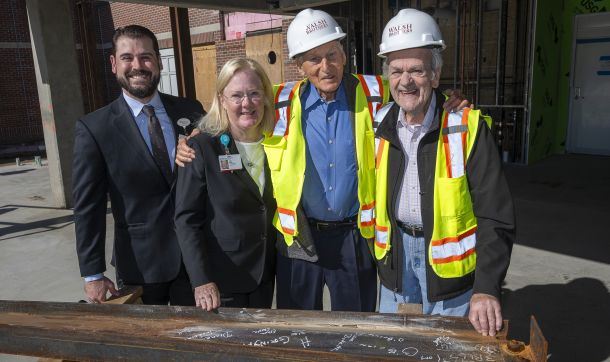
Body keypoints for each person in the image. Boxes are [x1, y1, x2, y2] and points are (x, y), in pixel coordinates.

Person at [176, 8, 468, 312]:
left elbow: (414, 95)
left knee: (356, 326)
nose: (325, 67)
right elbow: (238, 109)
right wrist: (192, 137)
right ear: (299, 65)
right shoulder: (277, 101)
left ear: (343, 55)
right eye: (314, 59)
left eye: (332, 54)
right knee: (298, 327)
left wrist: (450, 99)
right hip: (299, 239)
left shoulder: (374, 93)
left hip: (354, 238)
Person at [372, 9, 515, 336]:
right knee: (397, 345)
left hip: (451, 278)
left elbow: (495, 215)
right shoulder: (377, 124)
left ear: (435, 76)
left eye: (417, 70)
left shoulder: (467, 127)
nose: (405, 80)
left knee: (449, 347)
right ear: (387, 76)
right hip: (395, 262)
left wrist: (487, 287)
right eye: (396, 71)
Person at [73, 25, 205, 305]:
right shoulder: (95, 128)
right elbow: (88, 207)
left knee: (197, 342)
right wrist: (92, 274)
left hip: (197, 261)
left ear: (157, 61)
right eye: (127, 58)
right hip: (140, 266)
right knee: (151, 345)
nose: (137, 66)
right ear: (113, 64)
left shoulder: (191, 111)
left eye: (145, 57)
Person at [174, 58, 277, 311]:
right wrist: (201, 280)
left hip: (266, 276)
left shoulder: (277, 142)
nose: (246, 103)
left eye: (254, 93)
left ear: (264, 96)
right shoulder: (201, 147)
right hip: (221, 283)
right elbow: (186, 219)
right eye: (236, 95)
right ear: (222, 100)